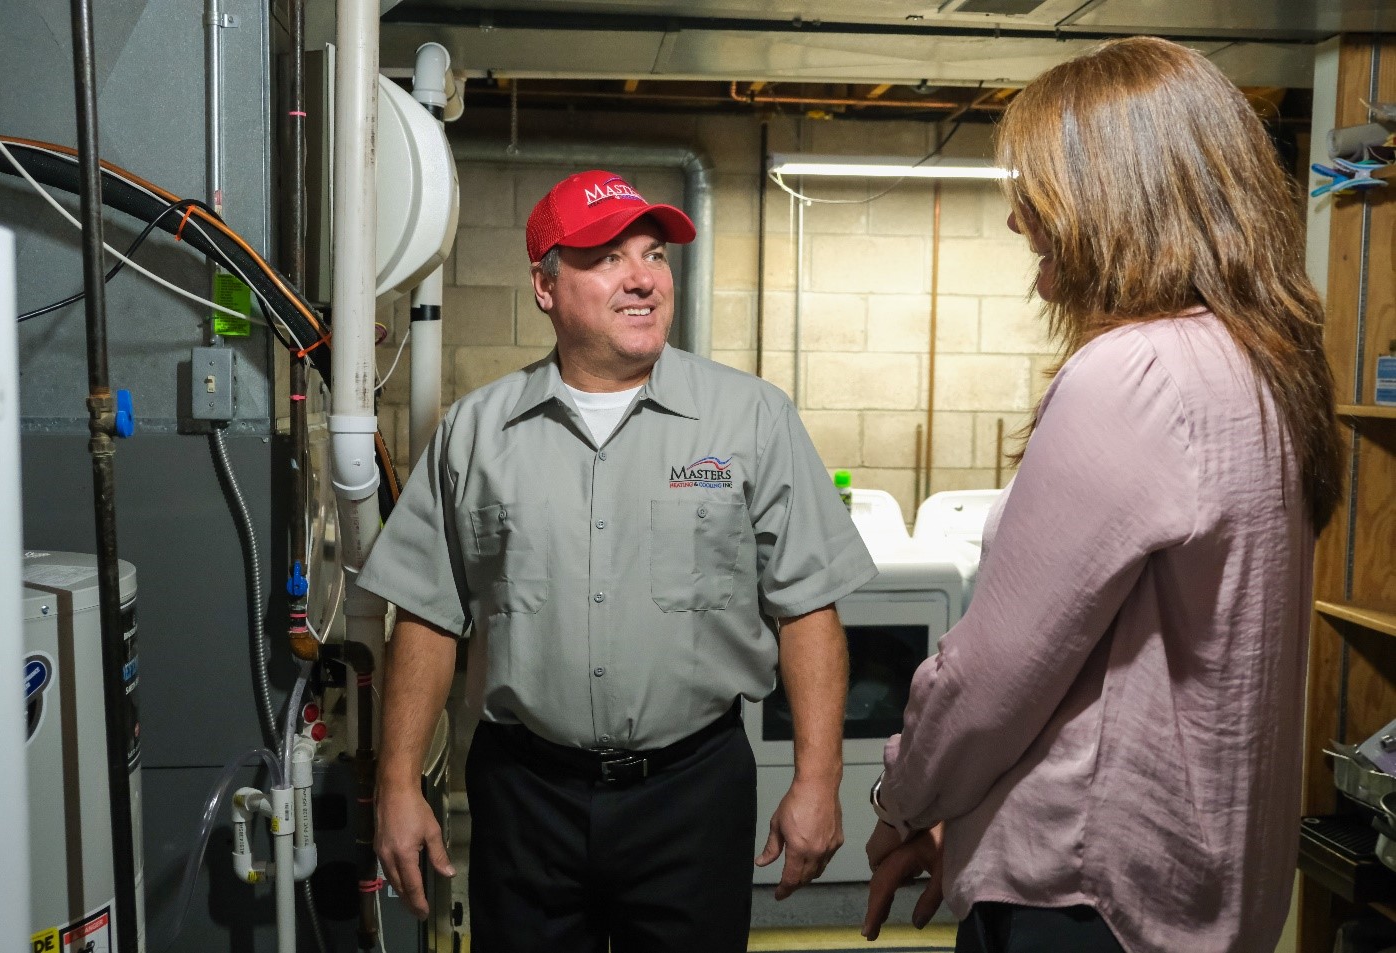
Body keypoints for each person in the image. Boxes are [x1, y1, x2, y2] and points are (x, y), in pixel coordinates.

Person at [861, 36, 1343, 953]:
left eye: (1035, 192)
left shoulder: (1136, 372)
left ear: (1123, 198)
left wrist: (906, 799)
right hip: (1202, 897)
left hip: (1086, 896)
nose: (1017, 221)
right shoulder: (1266, 366)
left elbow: (990, 678)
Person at [363, 169, 877, 953]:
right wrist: (397, 782)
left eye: (654, 255)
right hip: (524, 794)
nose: (643, 278)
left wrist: (818, 778)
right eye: (607, 257)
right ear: (544, 286)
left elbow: (807, 606)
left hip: (691, 792)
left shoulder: (751, 418)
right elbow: (429, 614)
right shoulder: (476, 434)